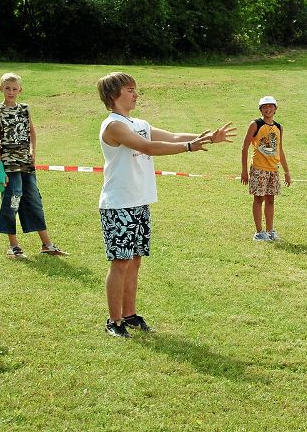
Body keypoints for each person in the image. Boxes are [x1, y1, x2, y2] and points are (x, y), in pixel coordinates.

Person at [97, 71, 236, 338]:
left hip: (139, 202)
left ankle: (130, 314)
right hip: (118, 204)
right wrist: (189, 147)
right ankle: (114, 321)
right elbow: (147, 147)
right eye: (130, 90)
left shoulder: (138, 122)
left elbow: (171, 136)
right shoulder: (113, 125)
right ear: (114, 95)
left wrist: (206, 137)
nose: (136, 94)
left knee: (135, 261)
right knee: (120, 263)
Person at [0, 72, 68, 260]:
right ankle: (14, 247)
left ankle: (47, 244)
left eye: (14, 88)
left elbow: (32, 133)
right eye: (7, 88)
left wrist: (33, 151)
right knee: (12, 200)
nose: (11, 92)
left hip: (26, 164)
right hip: (9, 165)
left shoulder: (25, 109)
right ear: (1, 89)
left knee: (34, 200)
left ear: (20, 90)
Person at [241, 96, 291, 241]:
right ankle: (259, 232)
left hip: (273, 169)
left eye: (271, 106)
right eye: (265, 107)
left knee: (270, 199)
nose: (268, 109)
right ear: (260, 109)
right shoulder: (255, 124)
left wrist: (287, 172)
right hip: (258, 168)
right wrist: (244, 171)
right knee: (259, 199)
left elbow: (280, 151)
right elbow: (244, 148)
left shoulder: (279, 127)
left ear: (275, 109)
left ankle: (270, 230)